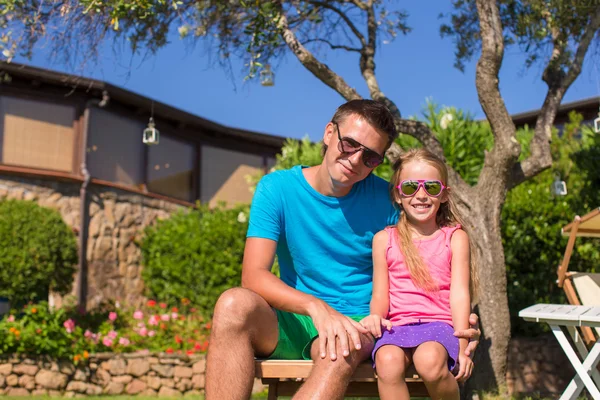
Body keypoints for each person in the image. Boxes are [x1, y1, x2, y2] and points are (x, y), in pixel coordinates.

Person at [205, 100, 480, 400]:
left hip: (358, 322)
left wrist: (452, 324)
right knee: (233, 305)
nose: (355, 160)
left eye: (370, 157)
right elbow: (254, 276)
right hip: (292, 317)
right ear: (328, 133)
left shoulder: (389, 200)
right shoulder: (277, 189)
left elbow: (430, 259)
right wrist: (316, 307)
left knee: (337, 348)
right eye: (349, 144)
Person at [360, 148, 478, 400]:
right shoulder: (384, 239)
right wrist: (375, 317)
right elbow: (381, 294)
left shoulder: (455, 238)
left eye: (432, 188)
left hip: (440, 325)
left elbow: (459, 294)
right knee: (387, 361)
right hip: (396, 325)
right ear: (398, 194)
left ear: (444, 195)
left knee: (428, 361)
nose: (421, 195)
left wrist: (463, 346)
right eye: (411, 186)